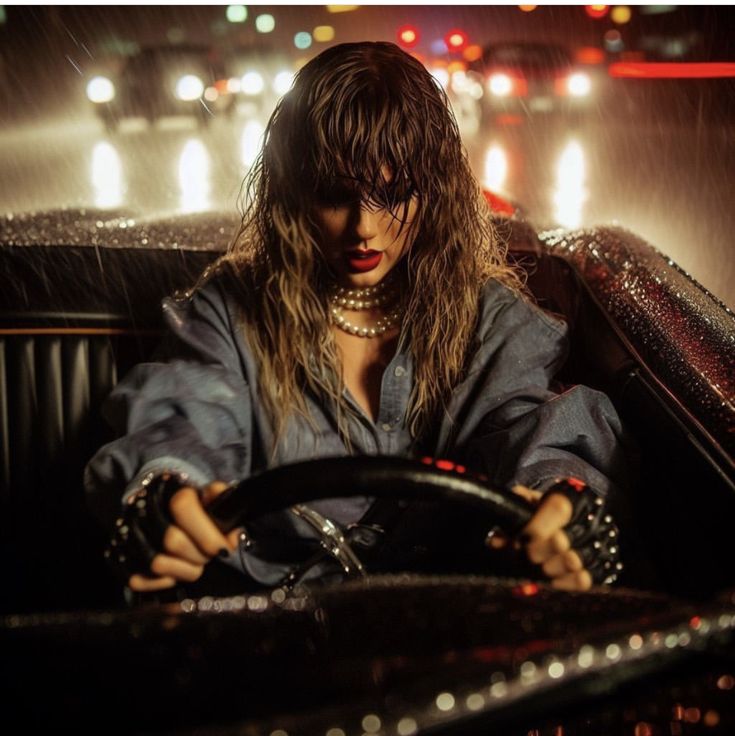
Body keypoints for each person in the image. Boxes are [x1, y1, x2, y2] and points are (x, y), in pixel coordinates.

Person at [85, 41, 626, 597]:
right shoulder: (232, 310)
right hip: (276, 629)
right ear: (293, 193)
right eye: (333, 195)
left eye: (392, 193)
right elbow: (180, 420)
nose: (364, 226)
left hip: (448, 631)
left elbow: (529, 425)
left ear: (435, 193)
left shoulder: (491, 318)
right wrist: (165, 492)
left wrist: (561, 500)